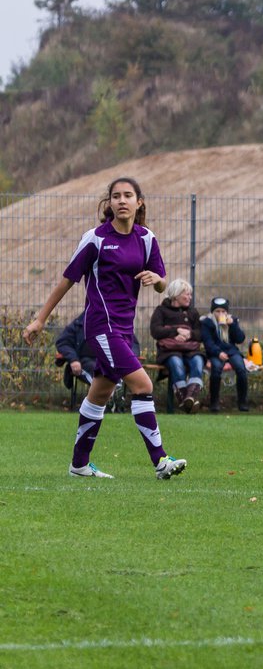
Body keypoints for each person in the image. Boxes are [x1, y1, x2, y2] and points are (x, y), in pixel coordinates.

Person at [21, 176, 187, 479]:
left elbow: (162, 284)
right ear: (108, 203)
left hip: (124, 329)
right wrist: (40, 319)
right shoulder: (95, 239)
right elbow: (67, 279)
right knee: (144, 386)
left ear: (140, 202)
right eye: (116, 196)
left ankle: (79, 465)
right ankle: (161, 461)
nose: (121, 201)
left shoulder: (147, 238)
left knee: (99, 394)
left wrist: (157, 279)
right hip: (100, 327)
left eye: (128, 196)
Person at [150, 278, 206, 413]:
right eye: (186, 294)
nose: (189, 297)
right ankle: (186, 400)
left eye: (190, 294)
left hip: (190, 350)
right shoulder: (161, 311)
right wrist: (176, 331)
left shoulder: (193, 312)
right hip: (169, 352)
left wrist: (189, 334)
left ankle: (189, 398)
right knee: (176, 364)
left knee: (198, 361)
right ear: (176, 294)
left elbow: (200, 334)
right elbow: (155, 331)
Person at [201, 296, 250, 413]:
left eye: (223, 311)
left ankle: (242, 402)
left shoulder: (233, 320)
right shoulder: (207, 322)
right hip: (215, 353)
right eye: (217, 311)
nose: (220, 314)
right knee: (216, 370)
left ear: (227, 312)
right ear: (212, 312)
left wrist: (232, 325)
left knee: (241, 369)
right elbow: (208, 343)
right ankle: (214, 403)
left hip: (232, 352)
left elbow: (240, 339)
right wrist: (218, 353)